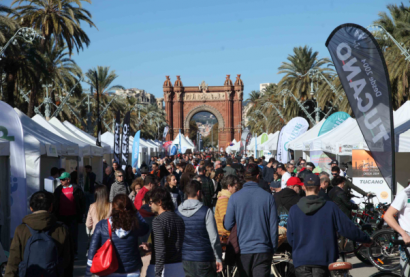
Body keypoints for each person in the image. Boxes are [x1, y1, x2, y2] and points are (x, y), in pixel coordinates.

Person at [287, 174, 372, 277]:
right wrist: (365, 239)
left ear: (304, 187)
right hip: (323, 258)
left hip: (301, 260)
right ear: (319, 187)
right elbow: (347, 228)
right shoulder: (330, 207)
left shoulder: (294, 210)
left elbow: (290, 237)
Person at [224, 164, 278, 277]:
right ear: (258, 176)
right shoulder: (268, 197)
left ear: (244, 177)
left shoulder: (234, 197)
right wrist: (272, 248)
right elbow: (273, 227)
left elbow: (228, 224)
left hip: (243, 249)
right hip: (263, 249)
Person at [5, 191, 71, 277]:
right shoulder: (61, 229)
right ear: (51, 207)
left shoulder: (21, 229)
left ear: (31, 208)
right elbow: (67, 261)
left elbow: (13, 260)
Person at [86, 194, 149, 277]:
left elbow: (92, 251)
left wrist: (87, 274)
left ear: (113, 208)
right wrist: (135, 211)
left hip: (108, 271)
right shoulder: (135, 224)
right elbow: (145, 228)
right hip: (132, 271)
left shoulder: (102, 225)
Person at [176, 180, 223, 276]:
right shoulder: (206, 211)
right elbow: (213, 238)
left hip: (184, 258)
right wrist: (218, 258)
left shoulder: (177, 212)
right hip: (204, 258)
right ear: (198, 192)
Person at [146, 187, 186, 277]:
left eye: (151, 202)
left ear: (159, 202)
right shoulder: (179, 219)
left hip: (163, 269)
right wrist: (152, 246)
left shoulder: (158, 221)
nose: (149, 205)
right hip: (179, 267)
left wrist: (157, 274)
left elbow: (160, 250)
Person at [53, 172, 85, 259]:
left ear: (68, 180)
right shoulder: (58, 190)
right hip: (61, 217)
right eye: (60, 179)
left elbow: (82, 202)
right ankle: (62, 252)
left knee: (73, 235)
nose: (61, 181)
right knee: (62, 235)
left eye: (63, 179)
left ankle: (74, 252)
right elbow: (55, 202)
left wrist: (82, 214)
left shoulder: (76, 189)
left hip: (73, 216)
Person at [383, 185, 410, 276]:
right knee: (406, 272)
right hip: (408, 238)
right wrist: (403, 233)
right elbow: (388, 216)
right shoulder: (404, 194)